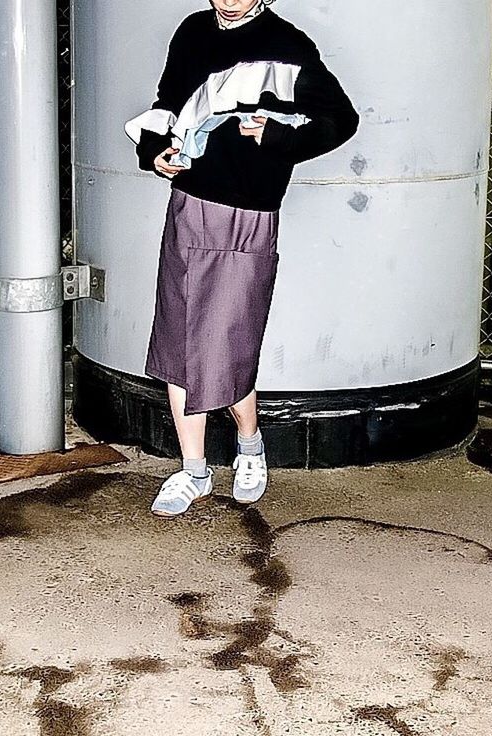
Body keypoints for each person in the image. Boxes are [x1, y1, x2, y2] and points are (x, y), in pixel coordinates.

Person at [125, 0, 358, 517]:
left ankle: (250, 446)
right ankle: (193, 470)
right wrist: (154, 151)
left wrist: (277, 137)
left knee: (227, 337)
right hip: (189, 202)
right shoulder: (191, 32)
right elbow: (169, 101)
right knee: (178, 337)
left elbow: (341, 119)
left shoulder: (287, 43)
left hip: (249, 212)